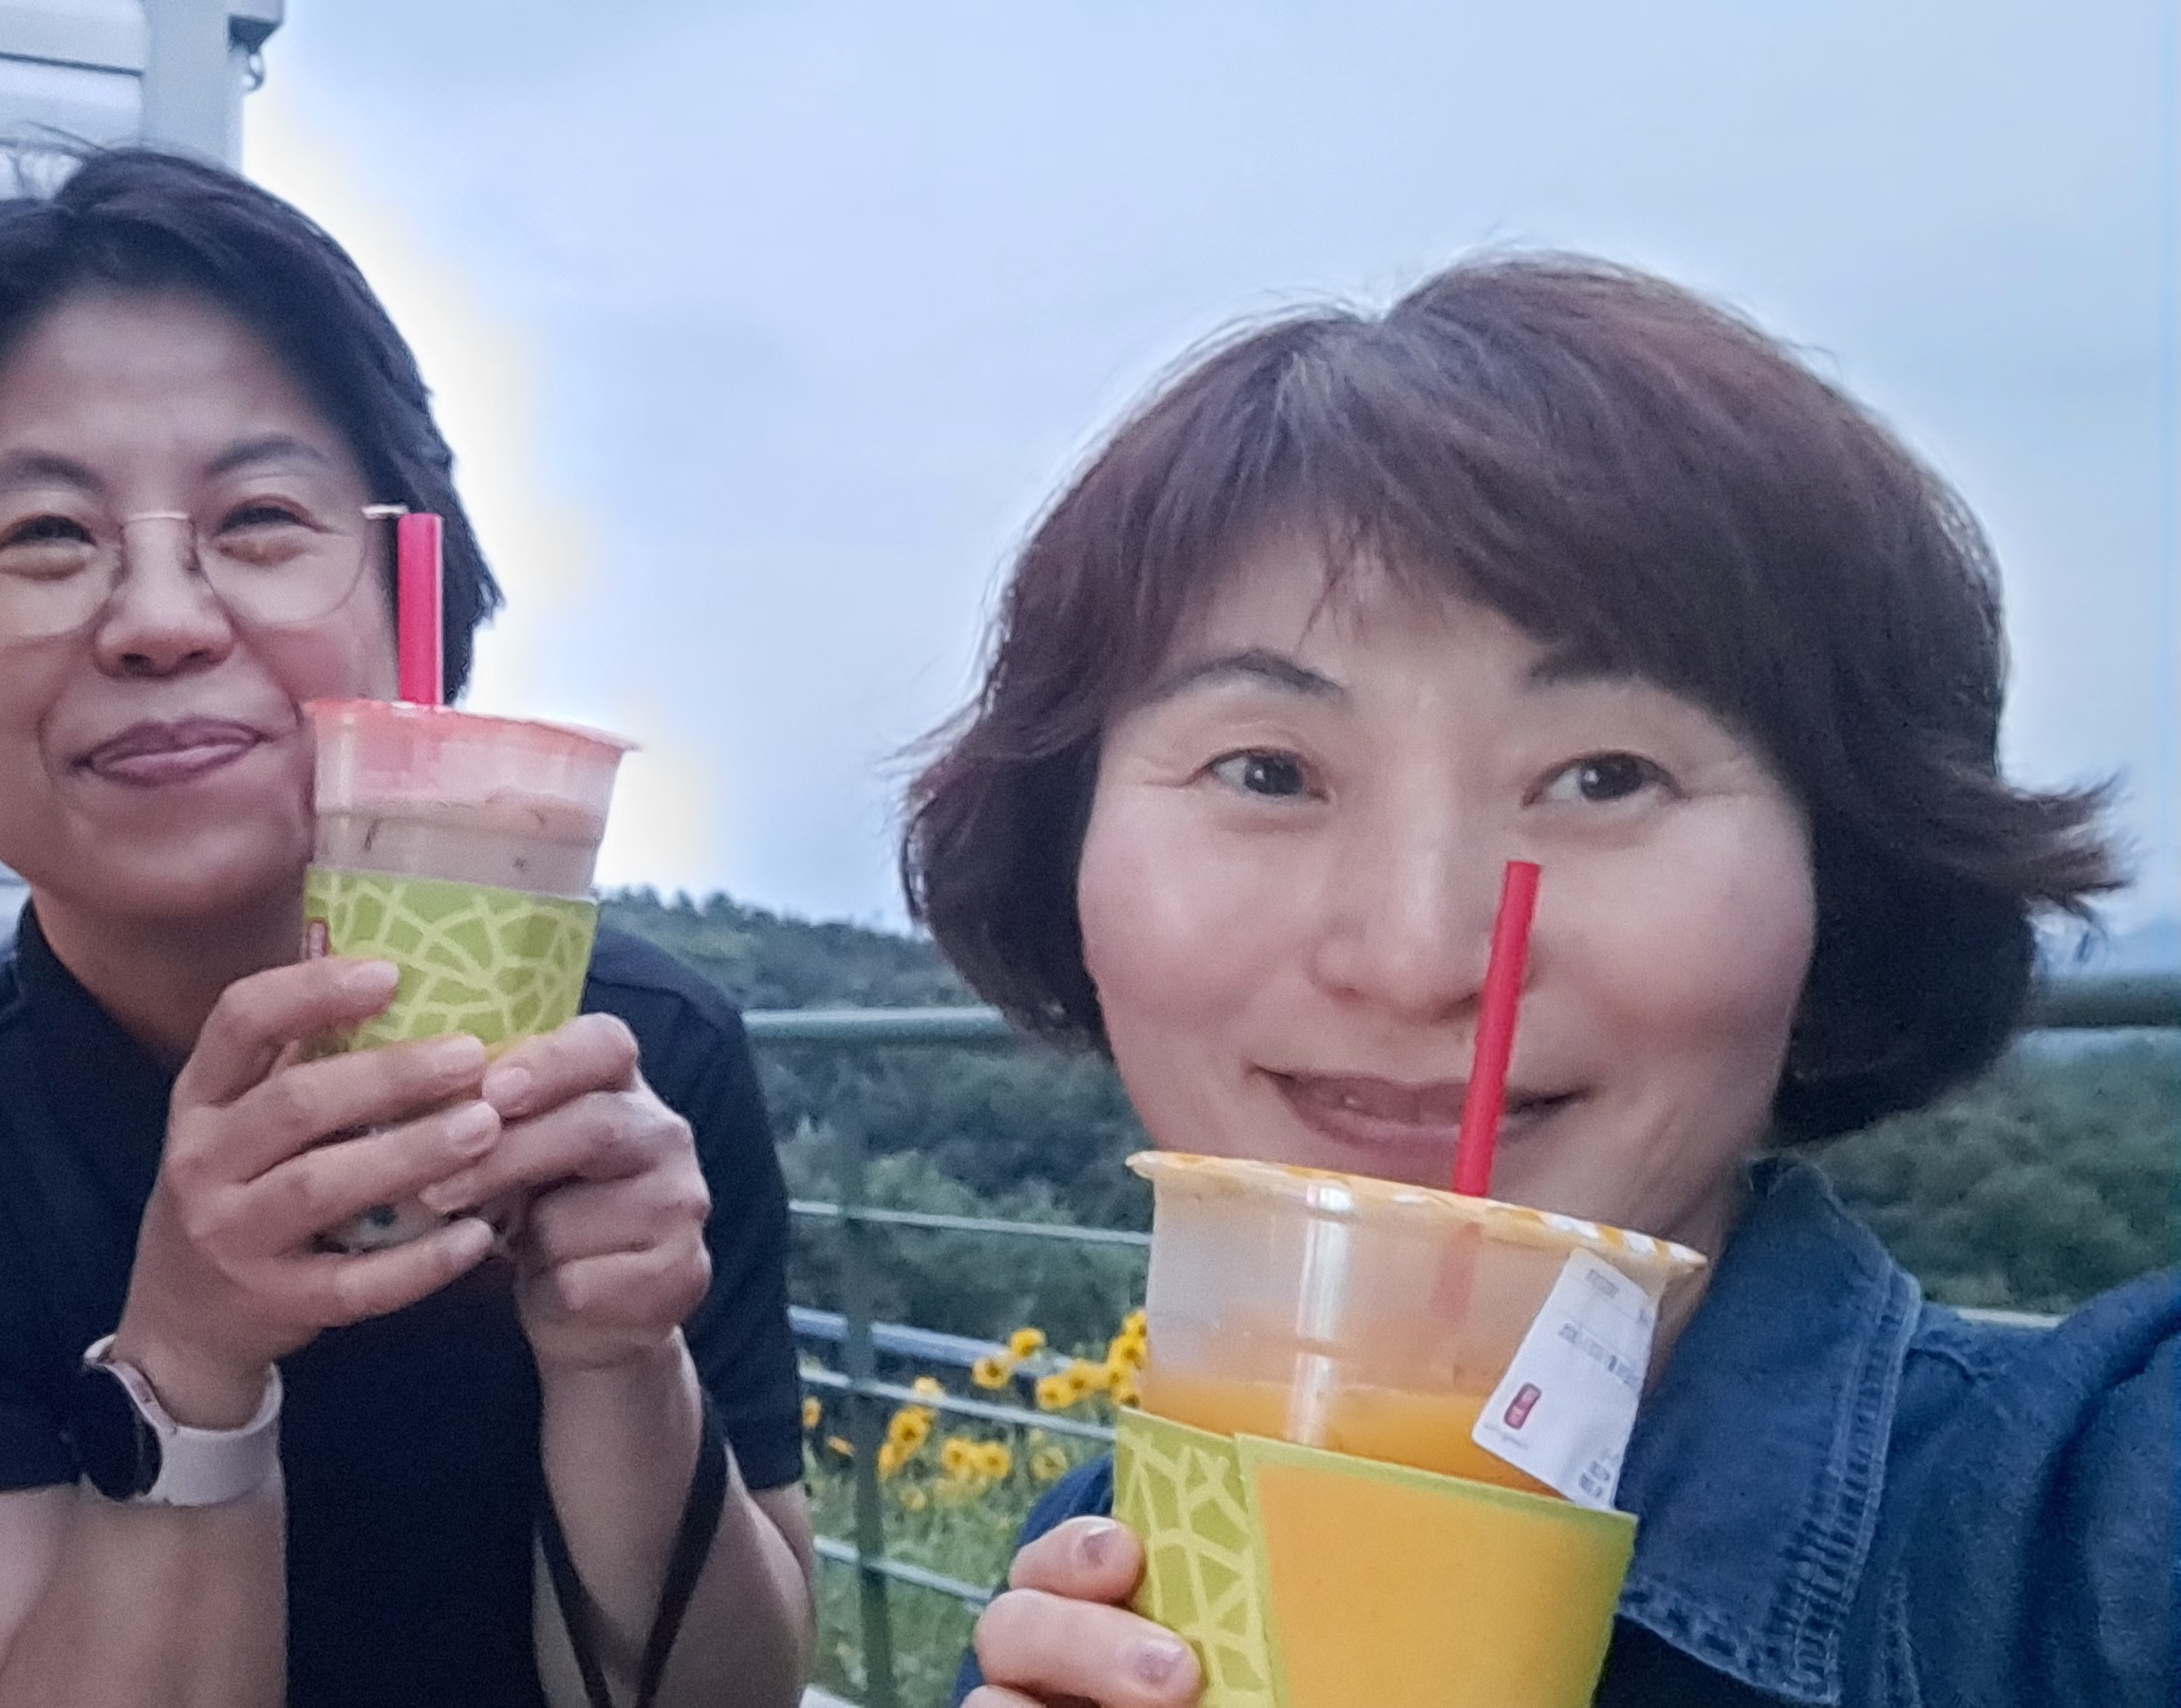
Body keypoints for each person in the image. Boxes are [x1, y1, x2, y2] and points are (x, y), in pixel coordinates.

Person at [904, 255, 2174, 1708]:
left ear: (1845, 881)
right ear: (1066, 854)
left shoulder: (2084, 1550)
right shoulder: (1094, 1564)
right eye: (1266, 770)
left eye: (1604, 775)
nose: (1417, 956)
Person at [0, 149, 815, 1708]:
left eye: (261, 517)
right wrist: (188, 1368)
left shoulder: (636, 1068)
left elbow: (731, 1696)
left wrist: (624, 1362)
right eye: (44, 536)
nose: (162, 620)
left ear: (411, 614)